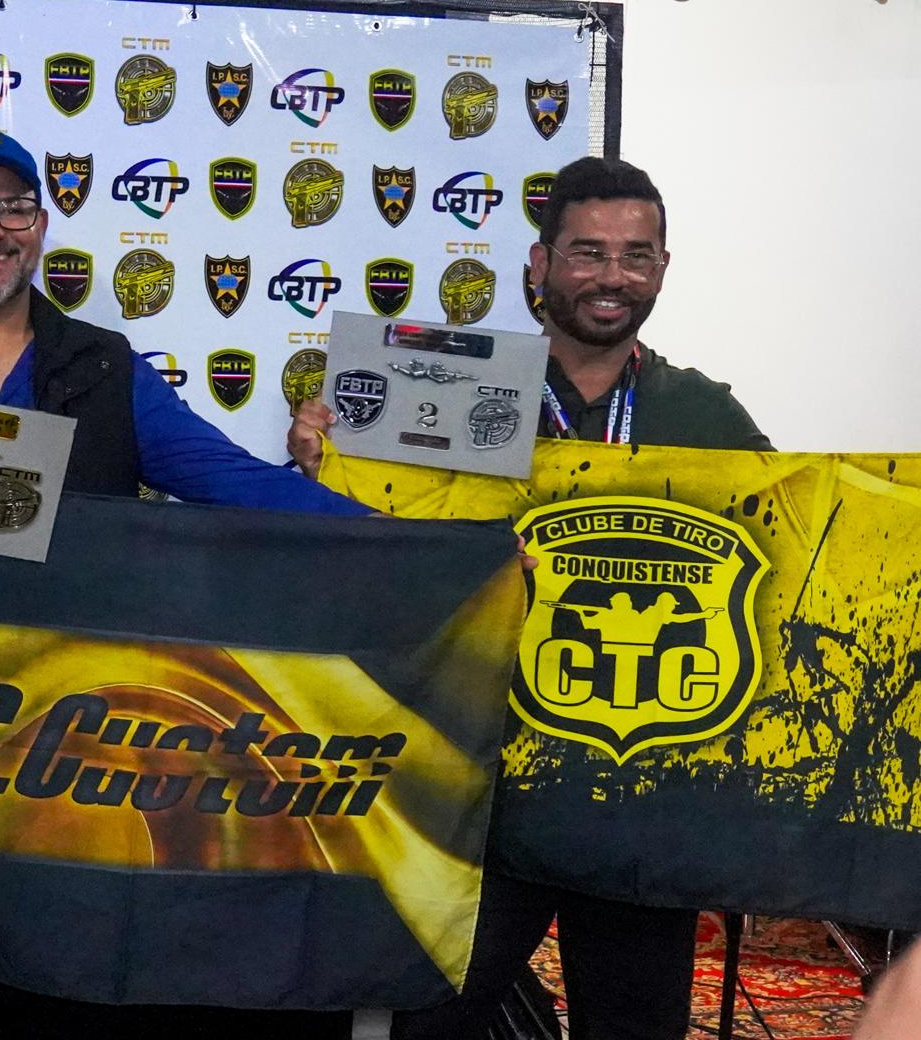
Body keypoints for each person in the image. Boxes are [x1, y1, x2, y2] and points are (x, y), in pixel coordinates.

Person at [0, 119, 370, 1039]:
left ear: (42, 228)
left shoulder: (104, 366)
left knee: (61, 994)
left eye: (13, 207)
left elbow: (237, 487)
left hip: (67, 772)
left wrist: (432, 545)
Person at [289, 155, 771, 1040]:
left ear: (663, 269)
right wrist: (327, 468)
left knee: (634, 1027)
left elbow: (781, 559)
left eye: (636, 255)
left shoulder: (706, 417)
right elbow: (373, 550)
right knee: (429, 1021)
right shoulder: (445, 386)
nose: (612, 276)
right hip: (479, 781)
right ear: (539, 264)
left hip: (635, 787)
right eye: (588, 252)